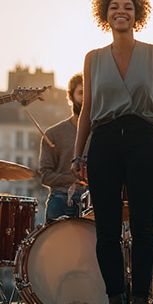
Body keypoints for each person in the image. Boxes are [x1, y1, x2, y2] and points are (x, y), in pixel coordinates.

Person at [71, 0, 153, 304]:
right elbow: (86, 113)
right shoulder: (93, 58)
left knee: (145, 229)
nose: (121, 12)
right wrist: (77, 153)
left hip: (144, 138)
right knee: (107, 231)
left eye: (128, 7)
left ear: (137, 14)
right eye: (115, 6)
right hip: (104, 141)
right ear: (106, 14)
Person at [40, 73, 86, 222]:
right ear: (70, 96)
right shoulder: (53, 133)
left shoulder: (101, 133)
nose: (85, 98)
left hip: (92, 202)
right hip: (59, 200)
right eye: (81, 93)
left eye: (89, 93)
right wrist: (74, 179)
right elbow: (45, 176)